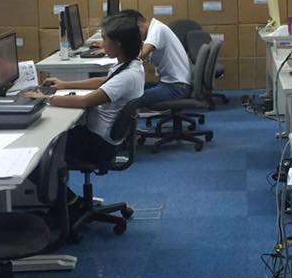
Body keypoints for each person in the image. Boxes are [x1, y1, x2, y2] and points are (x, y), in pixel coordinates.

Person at [27, 14, 145, 164]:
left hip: (98, 145)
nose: (103, 44)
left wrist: (46, 98)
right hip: (99, 136)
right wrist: (64, 84)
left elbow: (84, 101)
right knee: (53, 131)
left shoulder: (128, 76)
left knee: (41, 144)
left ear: (118, 44)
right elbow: (104, 81)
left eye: (105, 39)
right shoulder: (132, 64)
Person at [122, 9, 192, 109]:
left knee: (131, 98)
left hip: (177, 88)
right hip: (169, 83)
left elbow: (141, 55)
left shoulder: (157, 29)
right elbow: (138, 49)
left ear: (138, 24)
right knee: (130, 89)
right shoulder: (153, 31)